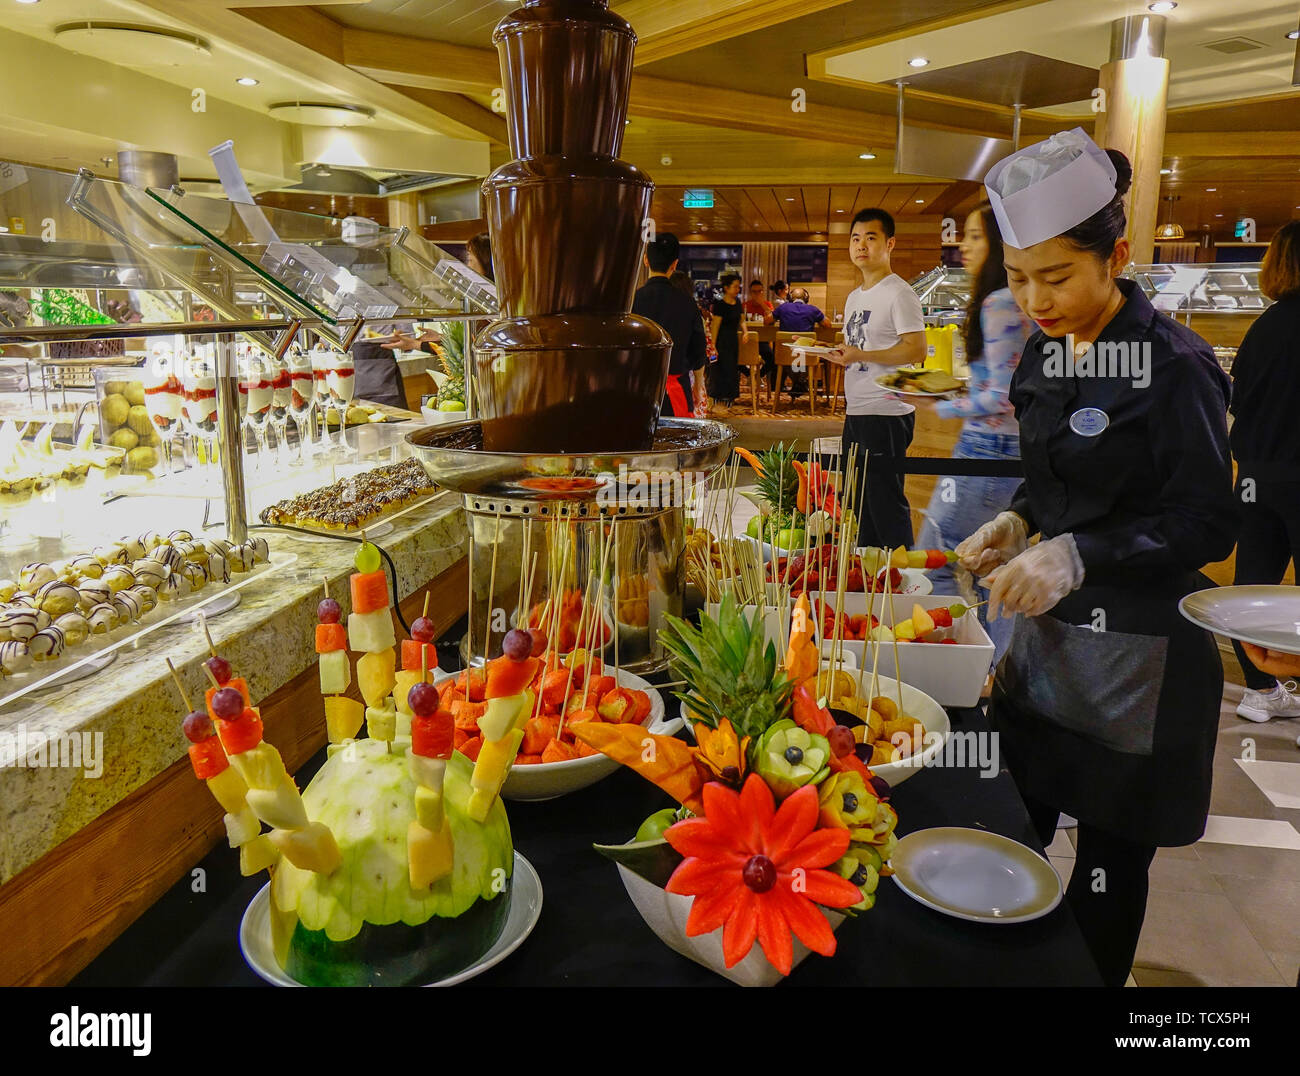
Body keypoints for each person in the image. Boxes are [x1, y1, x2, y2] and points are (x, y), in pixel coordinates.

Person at [958, 129, 1238, 987]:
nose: (1035, 300)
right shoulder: (1046, 347)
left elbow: (1207, 525)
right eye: (1016, 278)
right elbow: (1057, 478)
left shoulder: (1177, 367)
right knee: (1009, 823)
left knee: (1109, 873)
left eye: (1057, 276)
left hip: (1143, 665)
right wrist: (1019, 520)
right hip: (1049, 646)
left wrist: (1082, 556)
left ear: (1115, 255)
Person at [915, 203, 1034, 665]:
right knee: (994, 565)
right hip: (1011, 448)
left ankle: (955, 662)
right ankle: (991, 668)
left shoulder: (999, 301)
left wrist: (938, 405)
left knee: (936, 559)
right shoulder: (1016, 298)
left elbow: (1002, 396)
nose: (963, 245)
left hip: (988, 446)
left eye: (975, 237)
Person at [1226, 220, 1300, 723]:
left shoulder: (1265, 325)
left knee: (1252, 586)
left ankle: (1259, 690)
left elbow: (1236, 401)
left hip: (1255, 474)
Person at [823, 209, 927, 547]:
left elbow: (916, 350)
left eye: (871, 238)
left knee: (885, 503)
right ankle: (868, 583)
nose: (861, 246)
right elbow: (859, 348)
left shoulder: (900, 293)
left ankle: (903, 578)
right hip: (857, 410)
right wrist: (843, 355)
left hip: (887, 413)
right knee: (857, 504)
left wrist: (861, 355)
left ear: (890, 243)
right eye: (855, 238)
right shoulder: (854, 297)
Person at [631, 233, 707, 418]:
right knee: (676, 442)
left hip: (635, 390)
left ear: (646, 260)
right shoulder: (687, 303)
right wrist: (698, 384)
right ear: (674, 264)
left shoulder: (632, 301)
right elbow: (698, 350)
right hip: (676, 391)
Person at [707, 272, 748, 409]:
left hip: (732, 340)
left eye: (738, 287)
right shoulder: (720, 304)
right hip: (721, 340)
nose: (737, 289)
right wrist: (713, 345)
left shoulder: (737, 303)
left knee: (731, 368)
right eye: (735, 287)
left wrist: (745, 332)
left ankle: (730, 396)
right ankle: (718, 395)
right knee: (720, 368)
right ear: (726, 288)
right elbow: (715, 326)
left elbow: (742, 320)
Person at [744, 278, 777, 390]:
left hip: (762, 340)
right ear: (750, 292)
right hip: (747, 340)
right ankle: (749, 374)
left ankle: (759, 375)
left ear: (763, 292)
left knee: (773, 359)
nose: (757, 294)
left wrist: (762, 304)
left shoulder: (767, 304)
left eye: (760, 291)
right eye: (754, 291)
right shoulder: (745, 305)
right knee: (733, 357)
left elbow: (772, 318)